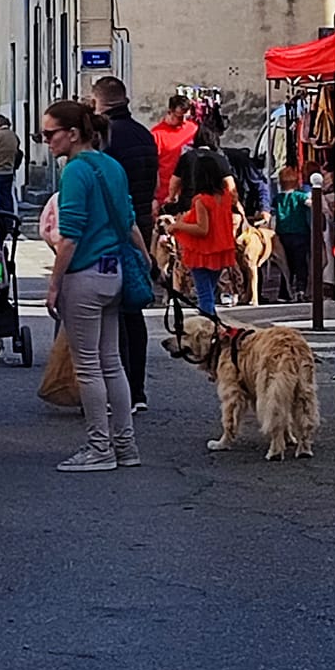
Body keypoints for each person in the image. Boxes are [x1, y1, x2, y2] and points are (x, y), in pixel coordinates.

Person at [42, 97, 146, 473]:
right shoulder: (112, 166)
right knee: (112, 362)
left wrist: (54, 285)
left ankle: (99, 447)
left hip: (84, 274)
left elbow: (69, 236)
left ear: (72, 133)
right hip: (114, 270)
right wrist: (146, 260)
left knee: (87, 367)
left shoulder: (75, 172)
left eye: (50, 133)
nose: (46, 141)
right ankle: (125, 445)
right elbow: (130, 220)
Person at [91, 75, 159, 415]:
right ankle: (138, 388)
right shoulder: (145, 135)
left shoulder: (107, 138)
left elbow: (108, 186)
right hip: (143, 224)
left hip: (117, 229)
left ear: (99, 101)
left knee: (112, 311)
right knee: (133, 310)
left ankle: (121, 389)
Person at [172, 147, 239, 319]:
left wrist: (178, 226)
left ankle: (208, 327)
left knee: (204, 295)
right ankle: (212, 322)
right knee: (209, 291)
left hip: (202, 251)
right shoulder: (226, 197)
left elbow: (202, 229)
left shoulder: (201, 200)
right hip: (221, 249)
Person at [169, 123, 236, 215]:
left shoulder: (186, 157)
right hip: (212, 207)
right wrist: (233, 202)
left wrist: (171, 197)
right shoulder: (219, 159)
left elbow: (174, 182)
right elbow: (230, 185)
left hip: (188, 206)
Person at [273, 165, 313, 300]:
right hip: (300, 233)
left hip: (283, 234)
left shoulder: (278, 198)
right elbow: (311, 203)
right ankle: (301, 290)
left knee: (285, 265)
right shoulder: (300, 196)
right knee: (301, 263)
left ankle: (284, 293)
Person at [152, 93, 197, 211]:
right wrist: (154, 197)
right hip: (166, 195)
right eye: (179, 117)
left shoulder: (193, 129)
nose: (183, 121)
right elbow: (152, 167)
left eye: (186, 117)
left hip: (190, 193)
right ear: (170, 111)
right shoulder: (157, 134)